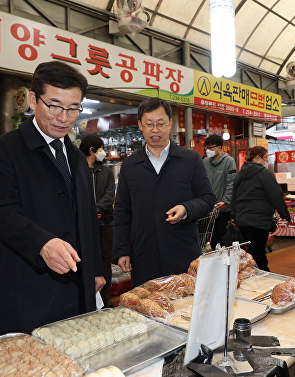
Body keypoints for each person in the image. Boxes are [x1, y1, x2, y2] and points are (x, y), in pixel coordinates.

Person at [0, 61, 105, 336]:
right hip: (27, 287)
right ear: (33, 100)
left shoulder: (75, 156)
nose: (64, 117)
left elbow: (87, 217)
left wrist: (95, 270)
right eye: (55, 105)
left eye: (74, 108)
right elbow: (1, 210)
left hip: (76, 289)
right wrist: (42, 243)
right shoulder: (3, 150)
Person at [113, 97, 216, 287]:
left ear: (170, 123)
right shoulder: (130, 165)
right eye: (149, 124)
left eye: (160, 124)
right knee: (147, 308)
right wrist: (121, 250)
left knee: (186, 310)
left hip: (183, 254)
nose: (155, 130)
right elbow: (122, 210)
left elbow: (208, 199)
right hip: (144, 255)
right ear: (140, 125)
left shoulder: (190, 160)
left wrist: (186, 209)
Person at [230, 146, 290, 271]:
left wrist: (234, 216)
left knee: (250, 253)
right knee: (257, 254)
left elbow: (234, 196)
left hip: (242, 221)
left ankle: (252, 276)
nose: (267, 160)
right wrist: (285, 214)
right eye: (266, 157)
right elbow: (276, 195)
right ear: (258, 157)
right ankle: (263, 278)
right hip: (259, 220)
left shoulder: (240, 174)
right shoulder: (265, 174)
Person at [79, 135, 115, 308]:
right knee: (85, 260)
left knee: (105, 260)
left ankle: (105, 297)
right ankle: (87, 297)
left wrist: (96, 210)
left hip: (105, 223)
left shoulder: (106, 171)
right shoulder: (78, 171)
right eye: (100, 148)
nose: (103, 152)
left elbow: (110, 195)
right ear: (91, 150)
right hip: (83, 225)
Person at [202, 134, 237, 250]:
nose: (209, 150)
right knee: (206, 239)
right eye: (207, 147)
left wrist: (225, 201)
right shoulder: (204, 162)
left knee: (221, 240)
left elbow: (231, 183)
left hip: (222, 209)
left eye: (212, 147)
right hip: (207, 209)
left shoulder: (229, 161)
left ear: (220, 147)